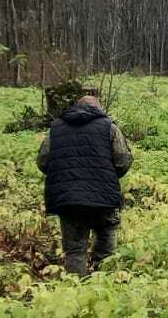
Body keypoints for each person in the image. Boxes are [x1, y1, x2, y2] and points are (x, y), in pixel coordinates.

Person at [38, 89, 133, 276]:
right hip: (104, 198)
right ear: (98, 108)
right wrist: (108, 177)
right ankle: (103, 287)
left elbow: (43, 160)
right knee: (106, 249)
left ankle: (77, 293)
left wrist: (65, 177)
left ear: (76, 107)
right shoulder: (110, 127)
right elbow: (123, 160)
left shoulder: (56, 128)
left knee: (75, 251)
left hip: (69, 200)